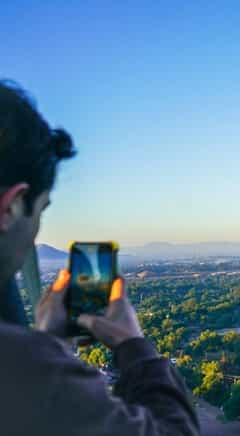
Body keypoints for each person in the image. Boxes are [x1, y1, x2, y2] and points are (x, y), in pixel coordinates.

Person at [0, 80, 200, 435]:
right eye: (41, 211)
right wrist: (133, 346)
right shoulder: (20, 366)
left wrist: (50, 345)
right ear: (13, 206)